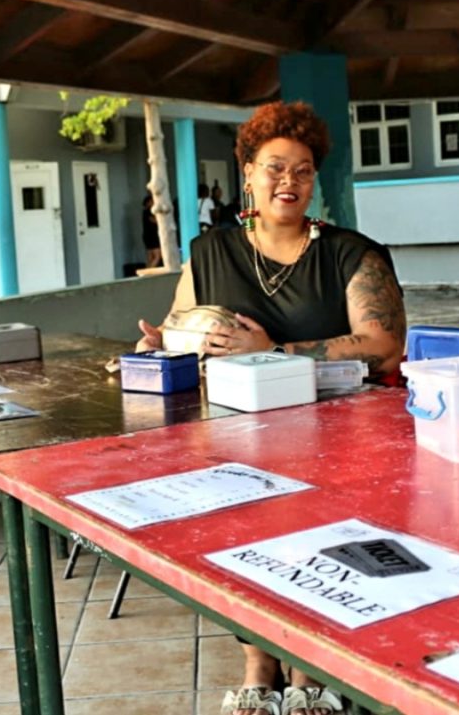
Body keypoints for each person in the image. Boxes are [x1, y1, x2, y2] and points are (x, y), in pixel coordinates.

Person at [137, 101, 406, 715]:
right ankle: (259, 659)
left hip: (339, 438)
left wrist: (275, 350)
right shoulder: (209, 252)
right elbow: (185, 324)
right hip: (235, 433)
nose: (289, 181)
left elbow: (385, 345)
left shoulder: (351, 252)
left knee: (320, 546)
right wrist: (159, 346)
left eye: (304, 170)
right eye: (275, 167)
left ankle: (312, 671)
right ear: (248, 174)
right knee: (242, 541)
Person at [142, 191, 162, 268]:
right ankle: (150, 271)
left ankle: (147, 272)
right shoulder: (149, 212)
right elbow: (155, 221)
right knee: (157, 256)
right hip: (152, 236)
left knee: (150, 257)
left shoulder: (144, 212)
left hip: (147, 236)